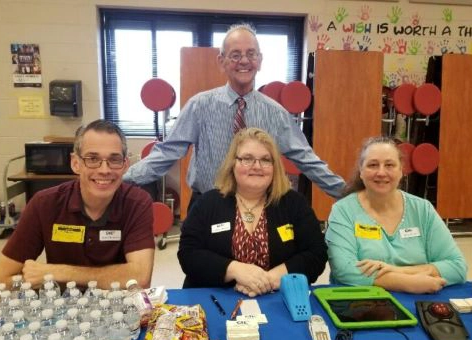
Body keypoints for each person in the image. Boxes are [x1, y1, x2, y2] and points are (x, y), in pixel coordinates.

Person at [124, 23, 345, 208]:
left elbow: (306, 158)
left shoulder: (276, 113)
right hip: (208, 204)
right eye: (235, 55)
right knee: (202, 261)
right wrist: (123, 180)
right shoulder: (200, 106)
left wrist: (348, 194)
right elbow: (167, 152)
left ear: (260, 59)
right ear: (222, 61)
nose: (244, 61)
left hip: (258, 207)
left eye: (251, 54)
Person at [0, 119, 155, 293]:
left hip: (119, 310)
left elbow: (140, 278)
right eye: (92, 159)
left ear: (125, 165)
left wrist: (56, 272)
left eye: (114, 159)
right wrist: (35, 279)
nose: (104, 170)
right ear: (75, 163)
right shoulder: (44, 204)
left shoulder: (137, 203)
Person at [178, 128, 327, 297]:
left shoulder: (294, 203)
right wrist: (235, 269)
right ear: (233, 163)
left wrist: (267, 280)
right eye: (247, 159)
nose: (257, 166)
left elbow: (316, 254)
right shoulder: (207, 203)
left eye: (265, 160)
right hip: (214, 298)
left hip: (277, 297)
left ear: (274, 166)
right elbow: (188, 254)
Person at [325, 136, 467, 294]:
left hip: (420, 299)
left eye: (389, 165)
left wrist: (397, 270)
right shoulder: (343, 211)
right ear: (361, 171)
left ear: (401, 171)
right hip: (361, 304)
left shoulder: (422, 210)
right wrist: (408, 283)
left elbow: (457, 267)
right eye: (372, 165)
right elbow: (345, 270)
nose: (381, 172)